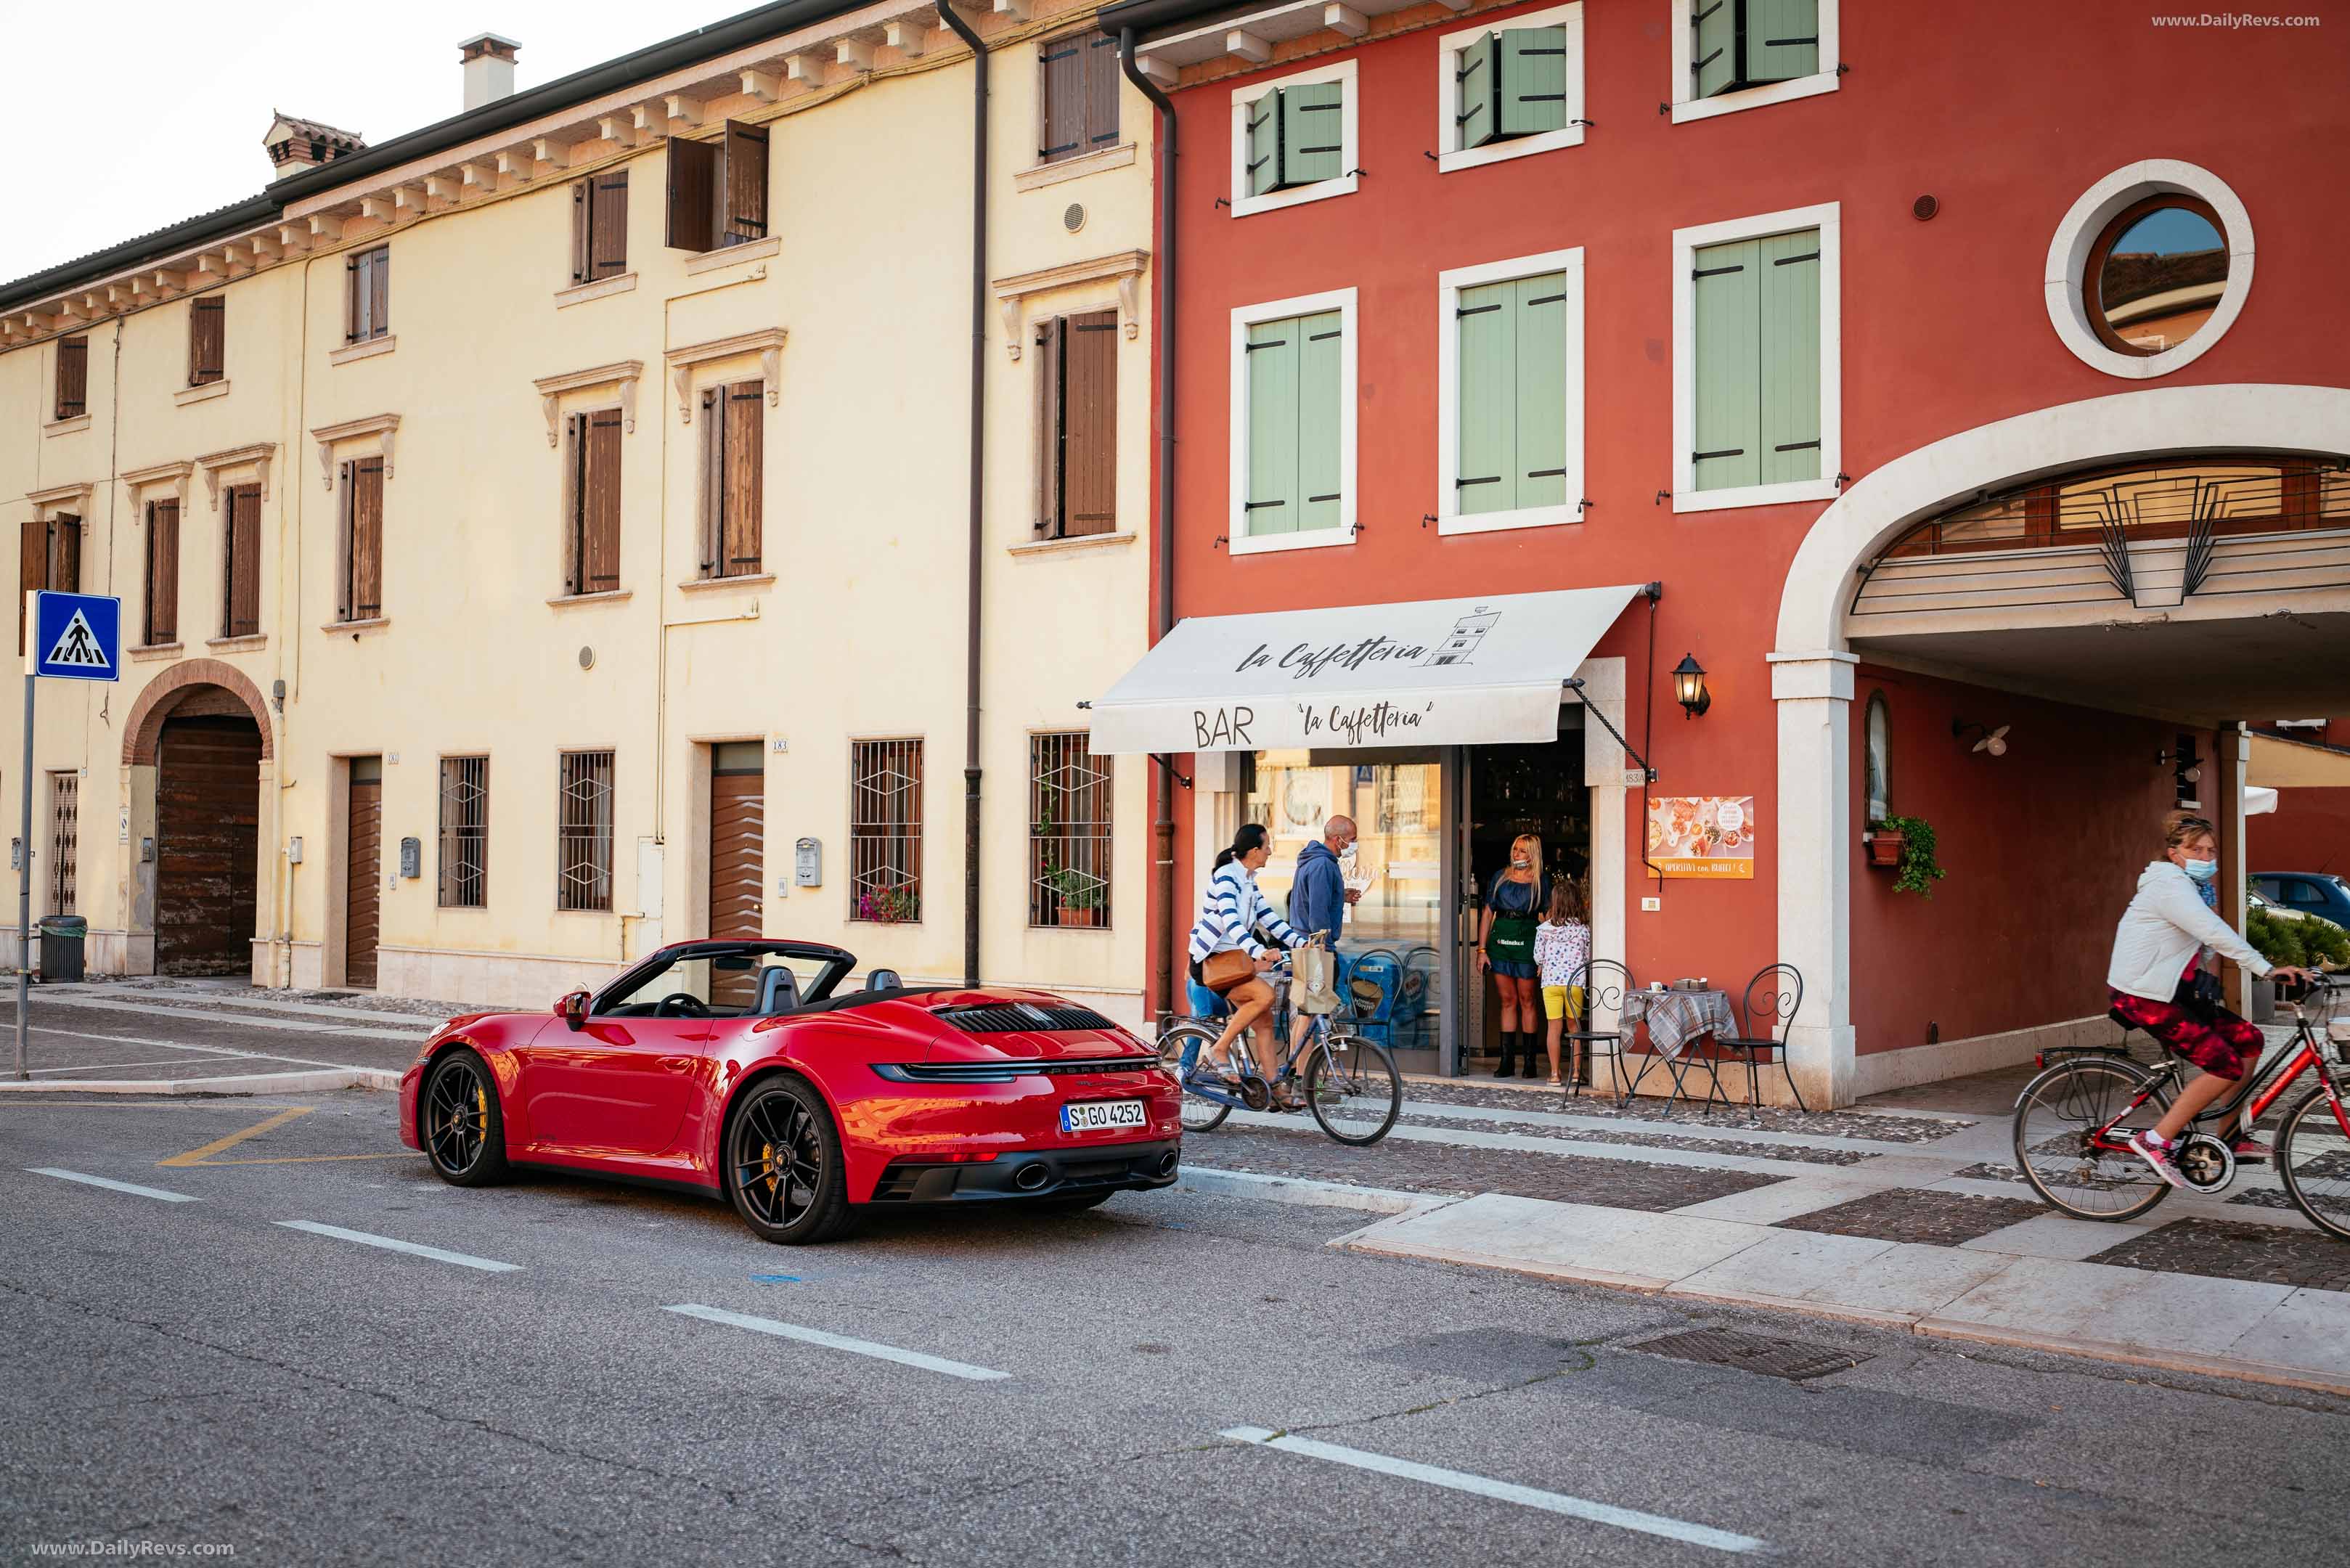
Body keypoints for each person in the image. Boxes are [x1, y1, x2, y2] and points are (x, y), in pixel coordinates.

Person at [2108, 810, 2314, 1186]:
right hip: (2144, 995)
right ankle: (2155, 1140)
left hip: (2176, 991)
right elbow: (2214, 932)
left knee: (2250, 1041)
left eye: (2210, 851)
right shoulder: (2169, 886)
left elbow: (2202, 940)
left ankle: (2229, 1136)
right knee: (2224, 1065)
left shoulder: (2196, 889)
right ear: (2174, 853)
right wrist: (2265, 969)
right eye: (2196, 850)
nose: (2206, 859)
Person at [1187, 823, 1304, 1102]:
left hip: (1235, 961)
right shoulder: (1226, 877)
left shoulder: (1249, 880)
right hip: (1213, 962)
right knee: (1263, 996)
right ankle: (1219, 1049)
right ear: (1254, 851)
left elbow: (1270, 919)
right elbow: (1231, 920)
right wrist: (1258, 950)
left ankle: (1275, 1088)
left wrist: (1303, 943)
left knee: (1264, 1021)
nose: (1270, 852)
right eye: (1267, 847)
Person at [1476, 833, 1550, 1079]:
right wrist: (1482, 950)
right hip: (1501, 943)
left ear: (1532, 855)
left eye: (1521, 851)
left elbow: (1549, 919)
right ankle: (1506, 1062)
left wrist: (1547, 956)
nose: (1515, 854)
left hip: (1528, 942)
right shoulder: (1500, 877)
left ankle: (1529, 1063)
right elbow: (1487, 914)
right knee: (1507, 1000)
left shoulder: (1541, 881)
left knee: (1528, 999)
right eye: (1515, 849)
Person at [1287, 816, 1360, 1058]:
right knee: (1309, 1019)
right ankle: (1303, 1081)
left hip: (1306, 948)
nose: (1354, 845)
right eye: (1352, 840)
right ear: (1338, 839)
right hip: (1315, 950)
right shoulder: (1324, 865)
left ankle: (1298, 1078)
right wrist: (1325, 950)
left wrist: (1340, 896)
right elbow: (1317, 916)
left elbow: (1314, 901)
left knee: (1305, 1017)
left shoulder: (1314, 861)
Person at [1533, 878, 1592, 1087]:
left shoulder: (1544, 930)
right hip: (1574, 984)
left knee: (1553, 1028)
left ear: (1554, 903)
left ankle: (1555, 1074)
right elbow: (1587, 957)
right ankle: (1576, 1073)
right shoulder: (1583, 930)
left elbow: (1538, 957)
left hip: (1550, 985)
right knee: (1575, 1027)